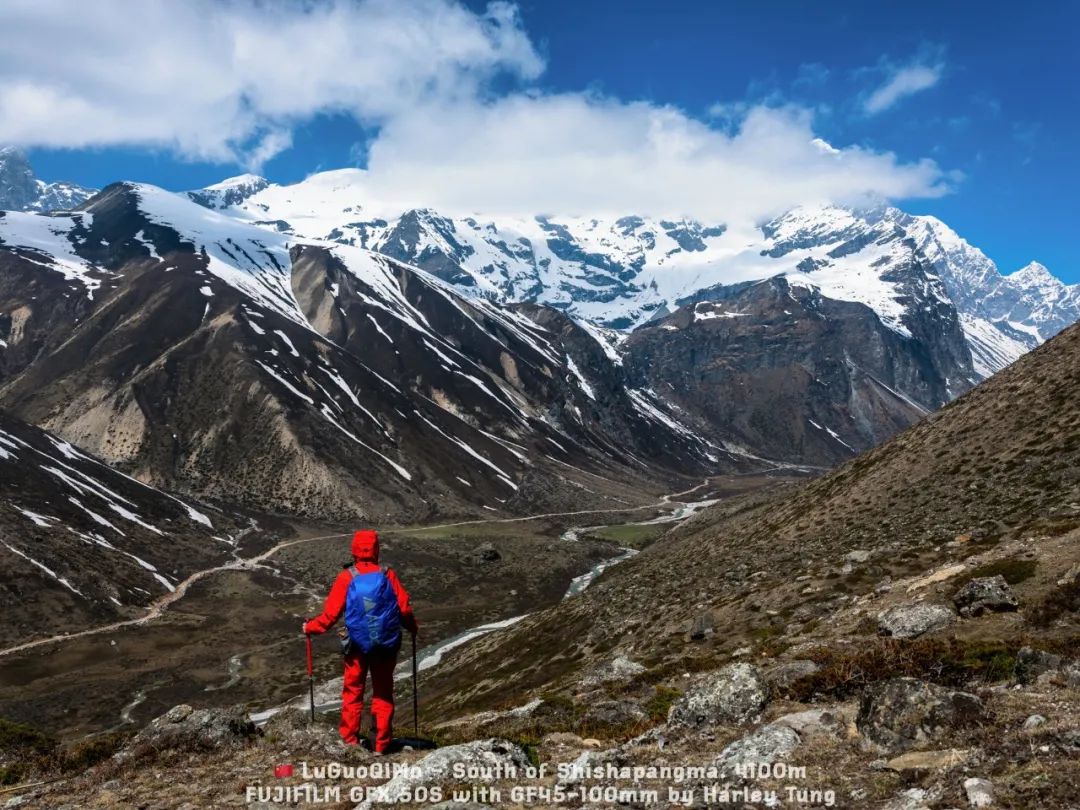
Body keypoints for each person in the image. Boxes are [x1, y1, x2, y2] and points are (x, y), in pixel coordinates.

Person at [303, 529, 418, 753]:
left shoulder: (347, 577)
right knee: (383, 692)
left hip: (356, 647)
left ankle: (350, 741)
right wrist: (413, 628)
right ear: (376, 549)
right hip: (385, 645)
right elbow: (404, 608)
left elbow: (329, 618)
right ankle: (381, 744)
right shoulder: (388, 575)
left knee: (353, 691)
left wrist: (309, 627)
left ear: (354, 549)